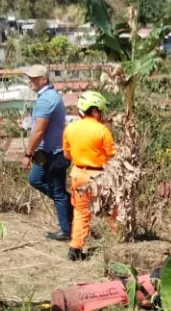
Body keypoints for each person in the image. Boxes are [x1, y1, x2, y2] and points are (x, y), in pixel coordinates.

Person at [21, 65, 72, 242]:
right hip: (47, 152)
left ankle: (66, 230)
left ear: (44, 79)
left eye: (34, 78)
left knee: (58, 192)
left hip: (54, 154)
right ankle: (67, 204)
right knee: (35, 180)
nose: (30, 81)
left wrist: (27, 154)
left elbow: (38, 131)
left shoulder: (46, 100)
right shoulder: (48, 96)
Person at [62, 91, 115, 261]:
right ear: (94, 111)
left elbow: (67, 154)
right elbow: (112, 155)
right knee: (112, 212)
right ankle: (122, 242)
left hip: (78, 174)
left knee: (81, 213)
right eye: (100, 111)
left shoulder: (70, 128)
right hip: (100, 177)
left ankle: (75, 250)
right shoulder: (102, 130)